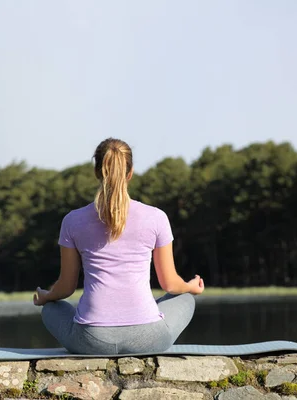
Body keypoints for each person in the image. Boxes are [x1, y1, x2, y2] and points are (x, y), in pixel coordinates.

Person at [33, 138, 204, 355]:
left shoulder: (72, 221)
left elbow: (66, 288)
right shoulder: (156, 217)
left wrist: (46, 296)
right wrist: (191, 286)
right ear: (130, 173)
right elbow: (170, 284)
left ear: (96, 172)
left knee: (51, 308)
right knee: (184, 298)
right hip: (149, 340)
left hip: (92, 341)